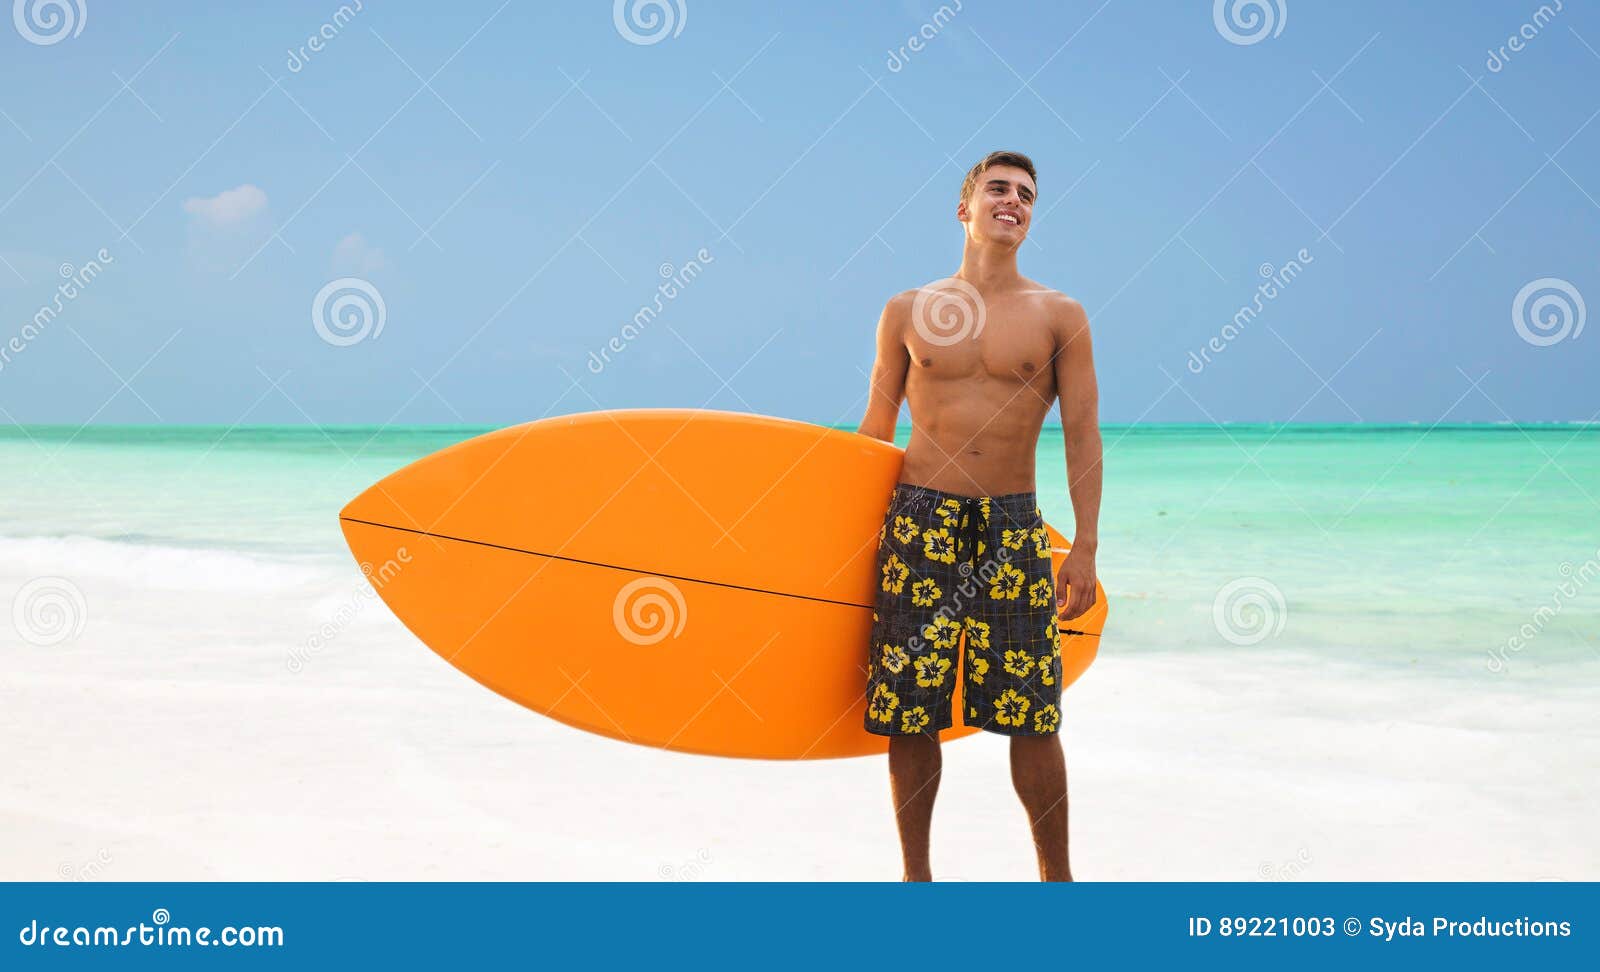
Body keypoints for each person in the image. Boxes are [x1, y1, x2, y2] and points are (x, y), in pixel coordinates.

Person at [855, 150, 1102, 882]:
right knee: (910, 709)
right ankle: (917, 882)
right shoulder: (906, 309)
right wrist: (831, 531)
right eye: (999, 189)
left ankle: (1058, 885)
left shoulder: (1059, 315)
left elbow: (1084, 434)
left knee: (1033, 713)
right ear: (964, 209)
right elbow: (876, 425)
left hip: (1012, 527)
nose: (1014, 201)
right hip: (917, 519)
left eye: (1026, 195)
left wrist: (1084, 547)